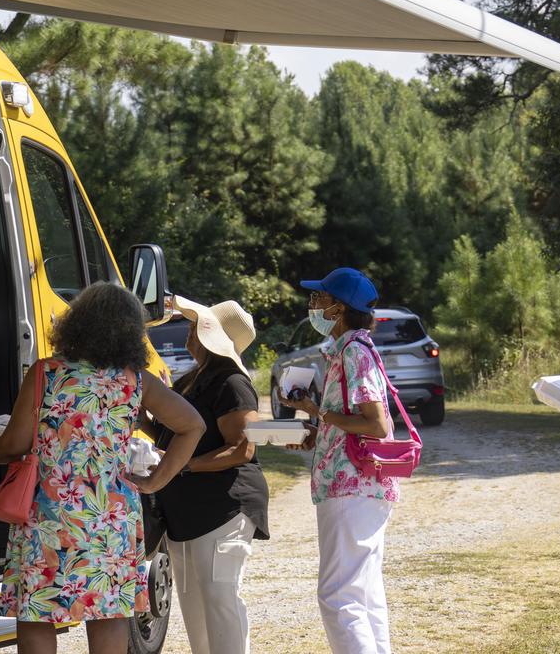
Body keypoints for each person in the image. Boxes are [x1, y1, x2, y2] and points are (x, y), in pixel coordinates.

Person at [0, 282, 205, 654]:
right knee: (109, 615)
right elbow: (192, 425)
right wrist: (155, 482)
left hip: (49, 514)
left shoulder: (45, 373)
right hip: (110, 515)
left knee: (38, 611)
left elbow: (16, 443)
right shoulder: (136, 381)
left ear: (76, 323)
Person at [139, 297, 268, 654]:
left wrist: (182, 465)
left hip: (223, 508)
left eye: (197, 325)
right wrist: (146, 426)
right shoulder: (193, 379)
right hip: (188, 511)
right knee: (195, 605)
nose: (190, 332)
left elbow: (243, 448)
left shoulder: (231, 382)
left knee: (218, 597)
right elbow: (175, 436)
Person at [283, 267, 397, 654]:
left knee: (337, 596)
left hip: (351, 487)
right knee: (363, 593)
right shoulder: (350, 350)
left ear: (339, 308)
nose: (313, 305)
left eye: (320, 298)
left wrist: (320, 414)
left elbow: (376, 424)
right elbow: (355, 421)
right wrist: (317, 434)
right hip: (362, 485)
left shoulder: (353, 352)